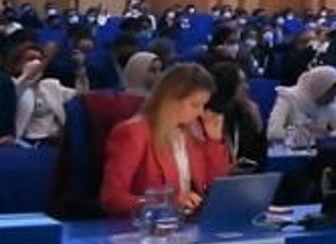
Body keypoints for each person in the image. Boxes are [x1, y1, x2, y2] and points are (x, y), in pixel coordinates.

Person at [99, 64, 228, 217]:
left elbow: (214, 188)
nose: (201, 112)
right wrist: (164, 203)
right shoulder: (133, 133)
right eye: (195, 105)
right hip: (148, 225)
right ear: (170, 100)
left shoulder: (194, 131)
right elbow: (112, 198)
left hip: (188, 222)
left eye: (203, 105)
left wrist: (214, 140)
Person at [11, 44, 76, 147]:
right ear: (17, 64)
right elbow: (11, 97)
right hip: (29, 143)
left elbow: (82, 95)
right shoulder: (12, 84)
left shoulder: (51, 85)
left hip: (58, 140)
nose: (37, 63)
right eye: (31, 59)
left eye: (39, 59)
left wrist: (81, 69)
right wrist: (25, 75)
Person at [207, 62, 268, 170]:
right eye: (241, 83)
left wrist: (258, 126)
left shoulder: (243, 114)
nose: (247, 87)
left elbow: (257, 158)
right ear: (227, 86)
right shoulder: (209, 118)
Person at [267, 65, 336, 145]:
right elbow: (273, 133)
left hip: (318, 149)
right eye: (329, 94)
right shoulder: (288, 98)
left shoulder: (331, 103)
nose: (332, 99)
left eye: (335, 95)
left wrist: (326, 135)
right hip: (290, 150)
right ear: (320, 89)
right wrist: (300, 134)